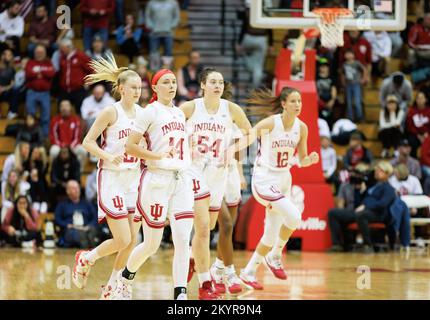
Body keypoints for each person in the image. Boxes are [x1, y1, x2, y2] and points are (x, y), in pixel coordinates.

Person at [114, 69, 194, 300]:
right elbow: (130, 146)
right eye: (166, 82)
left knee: (182, 239)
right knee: (151, 245)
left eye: (173, 82)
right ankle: (125, 278)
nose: (171, 86)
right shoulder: (149, 112)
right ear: (155, 88)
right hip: (156, 180)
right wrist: (156, 156)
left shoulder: (180, 114)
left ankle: (180, 294)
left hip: (181, 180)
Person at [71, 53, 143, 300]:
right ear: (121, 88)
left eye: (140, 88)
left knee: (132, 240)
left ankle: (112, 287)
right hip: (112, 178)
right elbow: (87, 142)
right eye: (133, 87)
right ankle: (86, 258)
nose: (137, 91)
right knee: (122, 238)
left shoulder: (143, 114)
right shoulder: (110, 112)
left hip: (134, 179)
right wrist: (108, 155)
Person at [180, 67, 252, 298]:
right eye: (212, 81)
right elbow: (169, 128)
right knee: (203, 228)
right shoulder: (191, 107)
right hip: (195, 172)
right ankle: (206, 280)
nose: (218, 85)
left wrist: (233, 148)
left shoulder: (231, 109)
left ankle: (194, 257)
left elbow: (250, 133)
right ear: (202, 85)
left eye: (220, 82)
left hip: (218, 175)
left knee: (209, 227)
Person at [239, 87, 319, 289]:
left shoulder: (302, 128)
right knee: (294, 216)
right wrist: (231, 149)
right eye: (293, 101)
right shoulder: (270, 123)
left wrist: (310, 159)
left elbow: (302, 159)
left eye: (299, 101)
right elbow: (248, 138)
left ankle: (248, 272)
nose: (297, 105)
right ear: (283, 104)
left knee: (270, 234)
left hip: (284, 179)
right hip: (264, 178)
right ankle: (275, 255)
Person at [210, 124, 247, 294]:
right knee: (226, 225)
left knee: (228, 229)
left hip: (231, 175)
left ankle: (217, 270)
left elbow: (239, 155)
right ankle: (230, 273)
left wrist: (240, 175)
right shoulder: (203, 120)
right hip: (211, 174)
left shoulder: (233, 121)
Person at [328, 161, 396, 253]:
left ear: (387, 173)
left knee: (361, 215)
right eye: (376, 170)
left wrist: (365, 206)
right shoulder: (372, 185)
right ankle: (337, 244)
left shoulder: (389, 189)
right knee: (333, 213)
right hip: (362, 211)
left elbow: (383, 204)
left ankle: (368, 245)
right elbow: (359, 201)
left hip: (378, 214)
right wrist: (359, 190)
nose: (376, 172)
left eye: (380, 171)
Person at [327, 163, 370, 252]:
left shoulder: (368, 186)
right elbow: (340, 203)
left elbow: (368, 204)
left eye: (359, 174)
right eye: (355, 173)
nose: (356, 176)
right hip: (351, 212)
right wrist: (342, 213)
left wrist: (362, 191)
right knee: (333, 213)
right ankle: (337, 244)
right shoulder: (345, 186)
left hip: (364, 213)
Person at [55, 180, 98, 249]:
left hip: (86, 228)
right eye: (74, 188)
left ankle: (88, 243)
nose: (77, 190)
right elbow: (57, 219)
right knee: (75, 234)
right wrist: (67, 225)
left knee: (93, 230)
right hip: (72, 229)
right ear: (68, 191)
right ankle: (87, 244)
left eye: (78, 188)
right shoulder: (62, 205)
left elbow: (95, 217)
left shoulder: (87, 204)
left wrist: (89, 226)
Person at [25, 44, 56, 138]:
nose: (39, 54)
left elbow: (51, 73)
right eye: (37, 52)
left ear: (45, 53)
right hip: (32, 92)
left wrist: (38, 72)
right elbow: (28, 74)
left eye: (41, 52)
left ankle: (44, 138)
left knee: (46, 117)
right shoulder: (30, 62)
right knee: (30, 115)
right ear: (34, 53)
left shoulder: (48, 63)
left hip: (45, 93)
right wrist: (43, 73)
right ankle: (30, 136)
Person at [49, 99, 87, 170]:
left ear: (70, 108)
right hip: (59, 146)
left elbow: (77, 137)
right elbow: (54, 137)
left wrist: (70, 147)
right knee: (53, 151)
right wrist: (62, 146)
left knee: (83, 151)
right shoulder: (55, 120)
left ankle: (79, 171)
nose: (64, 108)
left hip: (73, 145)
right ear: (59, 109)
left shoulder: (76, 120)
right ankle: (53, 172)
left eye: (66, 106)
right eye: (62, 106)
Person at [57, 39, 92, 115]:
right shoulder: (62, 57)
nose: (61, 50)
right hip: (65, 90)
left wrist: (88, 82)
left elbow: (92, 69)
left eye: (63, 48)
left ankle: (79, 126)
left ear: (69, 47)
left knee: (80, 112)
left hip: (78, 89)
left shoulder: (81, 56)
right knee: (61, 110)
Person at [145, 0, 180, 70]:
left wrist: (171, 26)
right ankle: (154, 72)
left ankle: (167, 72)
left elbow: (177, 16)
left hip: (168, 33)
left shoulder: (173, 3)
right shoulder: (151, 3)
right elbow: (147, 16)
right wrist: (151, 26)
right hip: (154, 33)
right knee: (154, 53)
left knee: (168, 53)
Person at [341, 49, 367, 122]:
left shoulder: (356, 63)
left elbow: (364, 70)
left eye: (350, 54)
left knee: (357, 101)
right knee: (348, 102)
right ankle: (350, 118)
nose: (348, 55)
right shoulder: (344, 64)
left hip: (356, 84)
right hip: (348, 85)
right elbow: (343, 74)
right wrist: (343, 82)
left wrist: (363, 79)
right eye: (347, 54)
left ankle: (360, 117)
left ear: (353, 55)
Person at [405, 91, 430, 158]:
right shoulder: (412, 110)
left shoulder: (429, 111)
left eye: (422, 98)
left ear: (426, 99)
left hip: (427, 134)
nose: (420, 100)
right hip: (415, 134)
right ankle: (414, 161)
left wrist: (427, 133)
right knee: (412, 141)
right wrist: (418, 135)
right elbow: (409, 126)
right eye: (418, 98)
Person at [0, 48, 19, 120]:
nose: (8, 56)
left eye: (10, 55)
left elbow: (12, 83)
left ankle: (12, 112)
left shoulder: (12, 69)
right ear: (2, 56)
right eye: (6, 54)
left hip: (5, 91)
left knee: (16, 88)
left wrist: (4, 88)